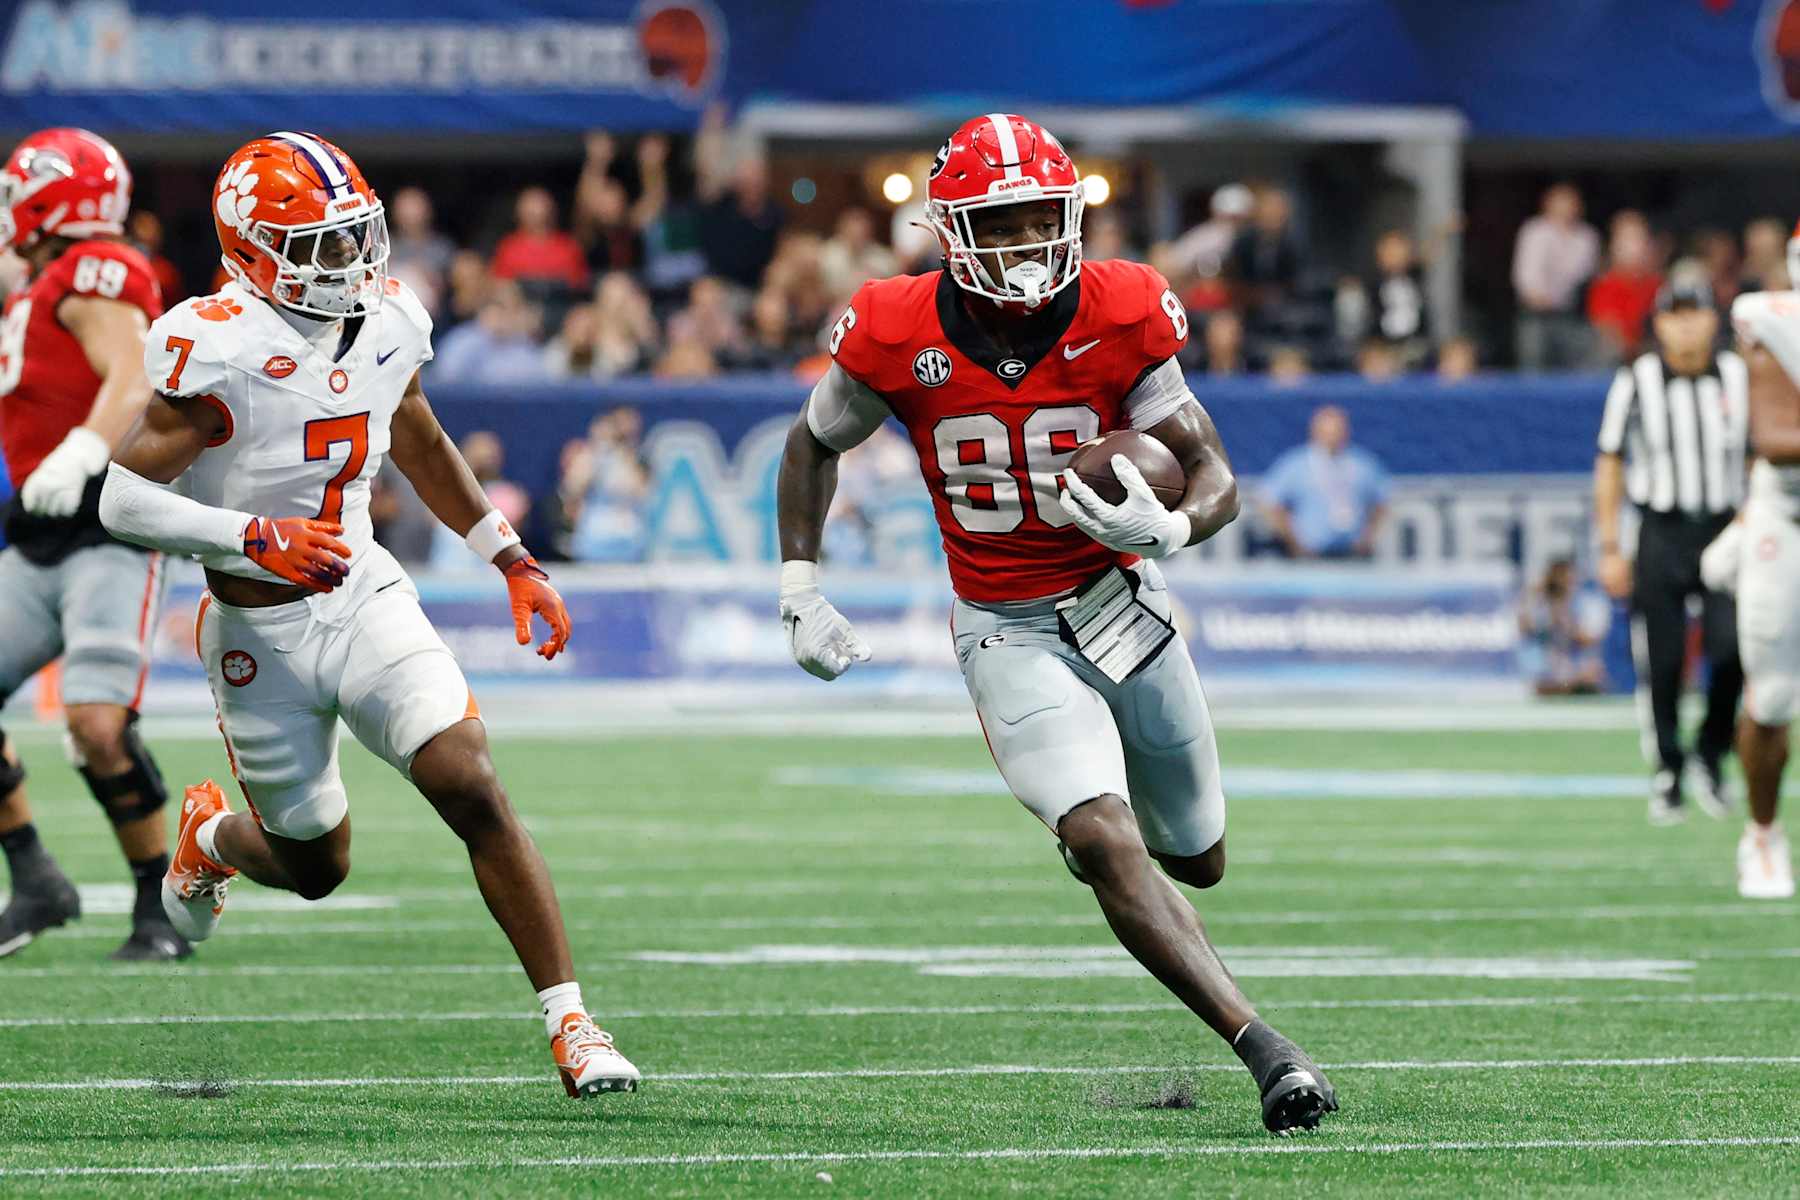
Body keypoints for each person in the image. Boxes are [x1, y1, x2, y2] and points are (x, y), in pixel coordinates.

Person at [775, 113, 1337, 1136]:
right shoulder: (897, 326)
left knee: (1196, 856)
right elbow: (813, 444)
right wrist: (800, 585)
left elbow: (1215, 473)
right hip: (1008, 627)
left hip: (1124, 605)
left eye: (1045, 216)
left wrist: (1170, 524)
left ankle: (1141, 867)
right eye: (1005, 221)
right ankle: (1268, 1050)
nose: (1031, 241)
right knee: (1102, 837)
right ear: (951, 230)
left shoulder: (1121, 307)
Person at [96, 131, 640, 1096]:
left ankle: (574, 1024)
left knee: (468, 778)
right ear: (252, 249)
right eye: (317, 245)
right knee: (317, 869)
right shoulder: (217, 338)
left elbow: (418, 435)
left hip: (360, 592)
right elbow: (121, 498)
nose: (347, 264)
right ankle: (213, 838)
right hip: (254, 631)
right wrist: (250, 535)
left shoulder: (390, 316)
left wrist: (508, 554)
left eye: (353, 239)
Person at [0, 128, 189, 962]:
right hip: (37, 537)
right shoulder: (42, 281)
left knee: (96, 724)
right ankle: (35, 877)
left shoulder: (97, 268)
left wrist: (80, 450)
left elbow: (134, 376)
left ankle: (160, 903)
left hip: (109, 528)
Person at [1594, 279, 1747, 824]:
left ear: (1713, 320)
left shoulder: (1737, 375)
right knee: (1661, 659)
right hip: (1660, 530)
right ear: (1657, 325)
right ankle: (1667, 769)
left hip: (1727, 529)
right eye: (1674, 316)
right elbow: (1609, 460)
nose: (1685, 325)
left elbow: (1759, 453)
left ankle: (1711, 752)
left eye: (1694, 313)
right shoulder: (1636, 380)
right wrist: (1610, 544)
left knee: (1733, 650)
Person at [1703, 256, 1800, 896]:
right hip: (1785, 516)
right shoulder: (1769, 322)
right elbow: (1776, 436)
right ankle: (1761, 834)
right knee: (1772, 698)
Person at [1260, 406, 1390, 559]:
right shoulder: (1295, 464)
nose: (1332, 437)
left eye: (1337, 431)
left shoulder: (1362, 463)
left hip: (1354, 554)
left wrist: (1367, 538)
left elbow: (1382, 502)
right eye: (1327, 432)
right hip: (1310, 555)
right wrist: (1294, 542)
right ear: (1315, 432)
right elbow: (1269, 502)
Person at [1512, 182, 1599, 370]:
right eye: (1560, 202)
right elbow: (1525, 275)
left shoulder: (1587, 237)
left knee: (1574, 366)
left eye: (1570, 203)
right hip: (1535, 315)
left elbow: (1586, 277)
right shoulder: (1534, 231)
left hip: (1571, 316)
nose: (1565, 208)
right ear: (1547, 204)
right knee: (1533, 367)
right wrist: (1537, 298)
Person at [1519, 557, 1608, 696]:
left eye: (1567, 578)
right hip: (1549, 675)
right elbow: (1525, 627)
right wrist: (1534, 594)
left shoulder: (1584, 600)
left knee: (1591, 675)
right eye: (1558, 578)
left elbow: (1591, 638)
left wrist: (1566, 623)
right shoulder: (1542, 604)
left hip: (1578, 673)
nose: (1564, 583)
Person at [1585, 210, 1662, 365]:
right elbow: (1609, 333)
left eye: (1640, 239)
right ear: (1614, 245)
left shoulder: (1659, 285)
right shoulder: (1605, 285)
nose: (1635, 248)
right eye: (1627, 240)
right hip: (1615, 364)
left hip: (1652, 358)